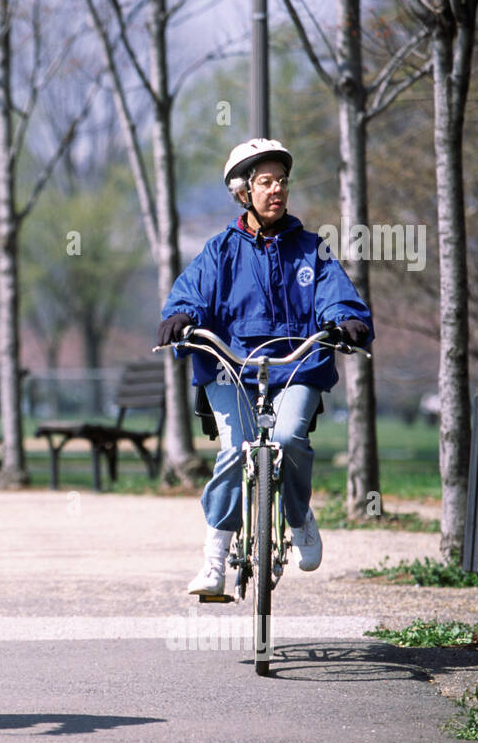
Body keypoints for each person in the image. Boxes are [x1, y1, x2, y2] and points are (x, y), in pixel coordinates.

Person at [157, 139, 374, 597]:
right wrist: (181, 316)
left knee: (291, 436)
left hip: (296, 365)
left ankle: (299, 517)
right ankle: (214, 560)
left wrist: (345, 319)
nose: (276, 190)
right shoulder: (219, 251)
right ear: (243, 191)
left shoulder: (312, 249)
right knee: (236, 450)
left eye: (282, 181)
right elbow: (191, 292)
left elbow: (333, 294)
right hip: (230, 366)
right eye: (265, 182)